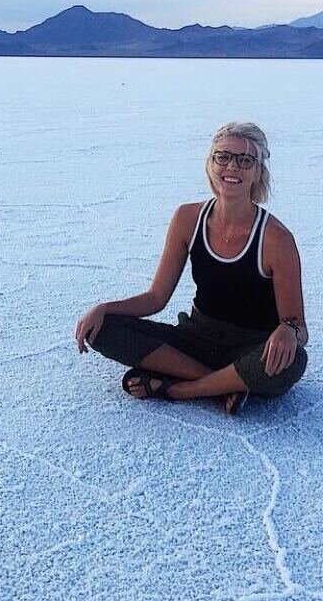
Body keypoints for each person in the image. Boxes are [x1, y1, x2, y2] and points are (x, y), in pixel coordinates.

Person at [74, 121, 308, 415]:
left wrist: (288, 331)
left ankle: (181, 388)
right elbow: (156, 298)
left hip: (251, 347)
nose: (232, 167)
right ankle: (224, 385)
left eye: (245, 160)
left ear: (259, 171)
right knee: (103, 329)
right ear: (210, 164)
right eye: (222, 156)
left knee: (293, 361)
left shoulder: (276, 238)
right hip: (196, 338)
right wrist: (104, 308)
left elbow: (298, 327)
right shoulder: (188, 218)